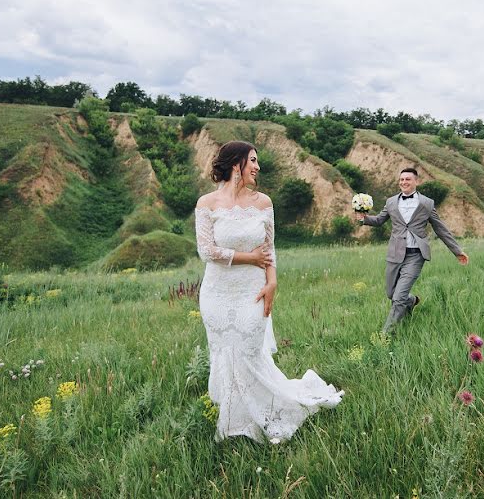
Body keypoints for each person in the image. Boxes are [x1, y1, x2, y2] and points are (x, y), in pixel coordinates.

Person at [194, 140, 343, 443]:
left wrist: (272, 282)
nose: (257, 167)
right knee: (225, 356)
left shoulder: (263, 203)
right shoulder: (206, 203)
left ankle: (268, 412)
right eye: (252, 161)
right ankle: (236, 422)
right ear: (236, 164)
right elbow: (206, 251)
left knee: (249, 352)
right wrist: (249, 258)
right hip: (216, 293)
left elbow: (270, 249)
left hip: (253, 290)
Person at [357, 167, 469, 332]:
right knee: (391, 294)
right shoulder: (391, 202)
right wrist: (363, 219)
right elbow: (379, 220)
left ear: (416, 181)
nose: (404, 182)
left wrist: (457, 251)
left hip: (416, 255)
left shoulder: (427, 203)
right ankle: (411, 301)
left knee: (398, 297)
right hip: (395, 254)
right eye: (401, 179)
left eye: (408, 179)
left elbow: (441, 229)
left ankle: (386, 334)